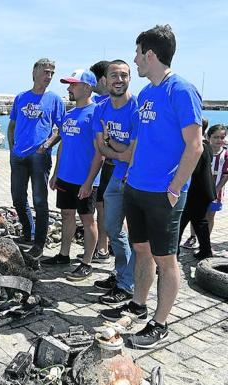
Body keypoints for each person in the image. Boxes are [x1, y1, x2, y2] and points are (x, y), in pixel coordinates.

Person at [101, 25, 203, 349]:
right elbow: (142, 143)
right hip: (136, 187)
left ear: (150, 55)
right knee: (142, 251)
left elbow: (196, 146)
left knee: (166, 259)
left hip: (163, 194)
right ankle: (138, 305)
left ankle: (160, 323)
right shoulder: (145, 95)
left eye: (137, 54)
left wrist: (174, 189)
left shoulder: (181, 90)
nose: (135, 61)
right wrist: (129, 173)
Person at [44, 69, 103, 283]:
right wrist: (55, 173)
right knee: (66, 215)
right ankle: (63, 255)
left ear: (87, 87)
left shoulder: (96, 112)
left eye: (73, 85)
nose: (69, 88)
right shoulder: (68, 115)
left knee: (88, 219)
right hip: (66, 177)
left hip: (85, 180)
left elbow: (100, 152)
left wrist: (89, 182)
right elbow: (63, 147)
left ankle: (87, 262)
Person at [8, 58, 65, 258]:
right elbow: (12, 125)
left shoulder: (55, 99)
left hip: (40, 157)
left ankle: (39, 242)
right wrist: (12, 147)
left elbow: (61, 129)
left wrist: (47, 145)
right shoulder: (21, 97)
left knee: (40, 200)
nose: (49, 76)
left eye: (52, 73)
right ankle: (28, 232)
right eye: (45, 71)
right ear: (34, 72)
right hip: (18, 156)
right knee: (18, 197)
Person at [92, 60, 139, 305]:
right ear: (105, 80)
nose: (118, 80)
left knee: (137, 238)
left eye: (124, 75)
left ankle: (127, 284)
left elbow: (134, 153)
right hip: (117, 175)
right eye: (114, 75)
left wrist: (115, 148)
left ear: (130, 78)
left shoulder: (137, 108)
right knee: (111, 227)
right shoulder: (101, 108)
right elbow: (100, 146)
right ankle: (122, 273)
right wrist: (118, 150)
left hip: (138, 178)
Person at [177, 122, 215, 260]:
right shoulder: (206, 145)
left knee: (179, 223)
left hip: (195, 192)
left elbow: (191, 171)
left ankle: (173, 254)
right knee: (199, 222)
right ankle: (206, 250)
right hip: (204, 191)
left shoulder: (196, 147)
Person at [90, 60, 112, 261]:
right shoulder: (98, 102)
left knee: (102, 207)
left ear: (101, 80)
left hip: (108, 165)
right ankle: (104, 244)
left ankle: (103, 247)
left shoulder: (101, 103)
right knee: (102, 206)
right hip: (100, 163)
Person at [206, 124, 228, 235]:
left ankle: (205, 240)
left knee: (210, 216)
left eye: (222, 137)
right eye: (215, 137)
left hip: (216, 192)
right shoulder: (202, 152)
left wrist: (216, 190)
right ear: (208, 137)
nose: (219, 140)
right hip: (200, 191)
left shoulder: (225, 154)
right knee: (196, 215)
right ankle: (192, 236)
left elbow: (225, 175)